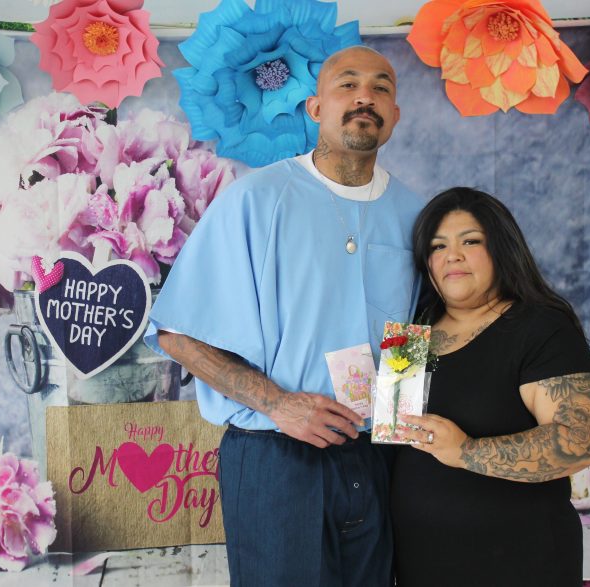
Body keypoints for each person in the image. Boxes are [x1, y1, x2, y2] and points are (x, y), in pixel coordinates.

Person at [144, 46, 425, 586]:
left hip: (375, 458)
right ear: (315, 108)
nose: (365, 96)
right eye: (348, 83)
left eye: (381, 87)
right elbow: (178, 334)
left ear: (394, 116)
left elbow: (413, 335)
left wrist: (395, 441)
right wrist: (280, 404)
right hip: (275, 452)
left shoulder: (416, 215)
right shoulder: (256, 200)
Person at [391, 187, 590, 586]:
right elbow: (393, 442)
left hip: (520, 561)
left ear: (502, 249)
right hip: (419, 561)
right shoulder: (410, 334)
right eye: (438, 246)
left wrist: (466, 451)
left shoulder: (540, 326)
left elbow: (582, 441)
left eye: (470, 241)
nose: (452, 255)